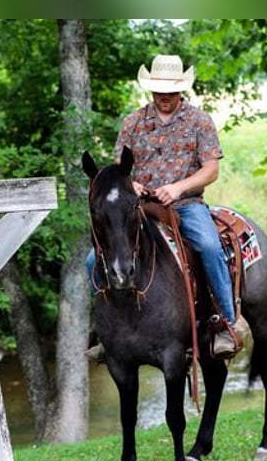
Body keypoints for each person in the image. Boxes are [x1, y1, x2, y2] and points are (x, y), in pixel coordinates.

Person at [87, 54, 243, 360]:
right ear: (151, 89)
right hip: (139, 208)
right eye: (159, 91)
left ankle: (227, 322)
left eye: (170, 91)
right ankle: (104, 331)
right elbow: (120, 172)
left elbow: (211, 170)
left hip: (186, 205)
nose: (164, 97)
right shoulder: (132, 123)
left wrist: (178, 188)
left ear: (181, 89)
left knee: (210, 247)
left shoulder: (200, 121)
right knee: (92, 260)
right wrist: (132, 186)